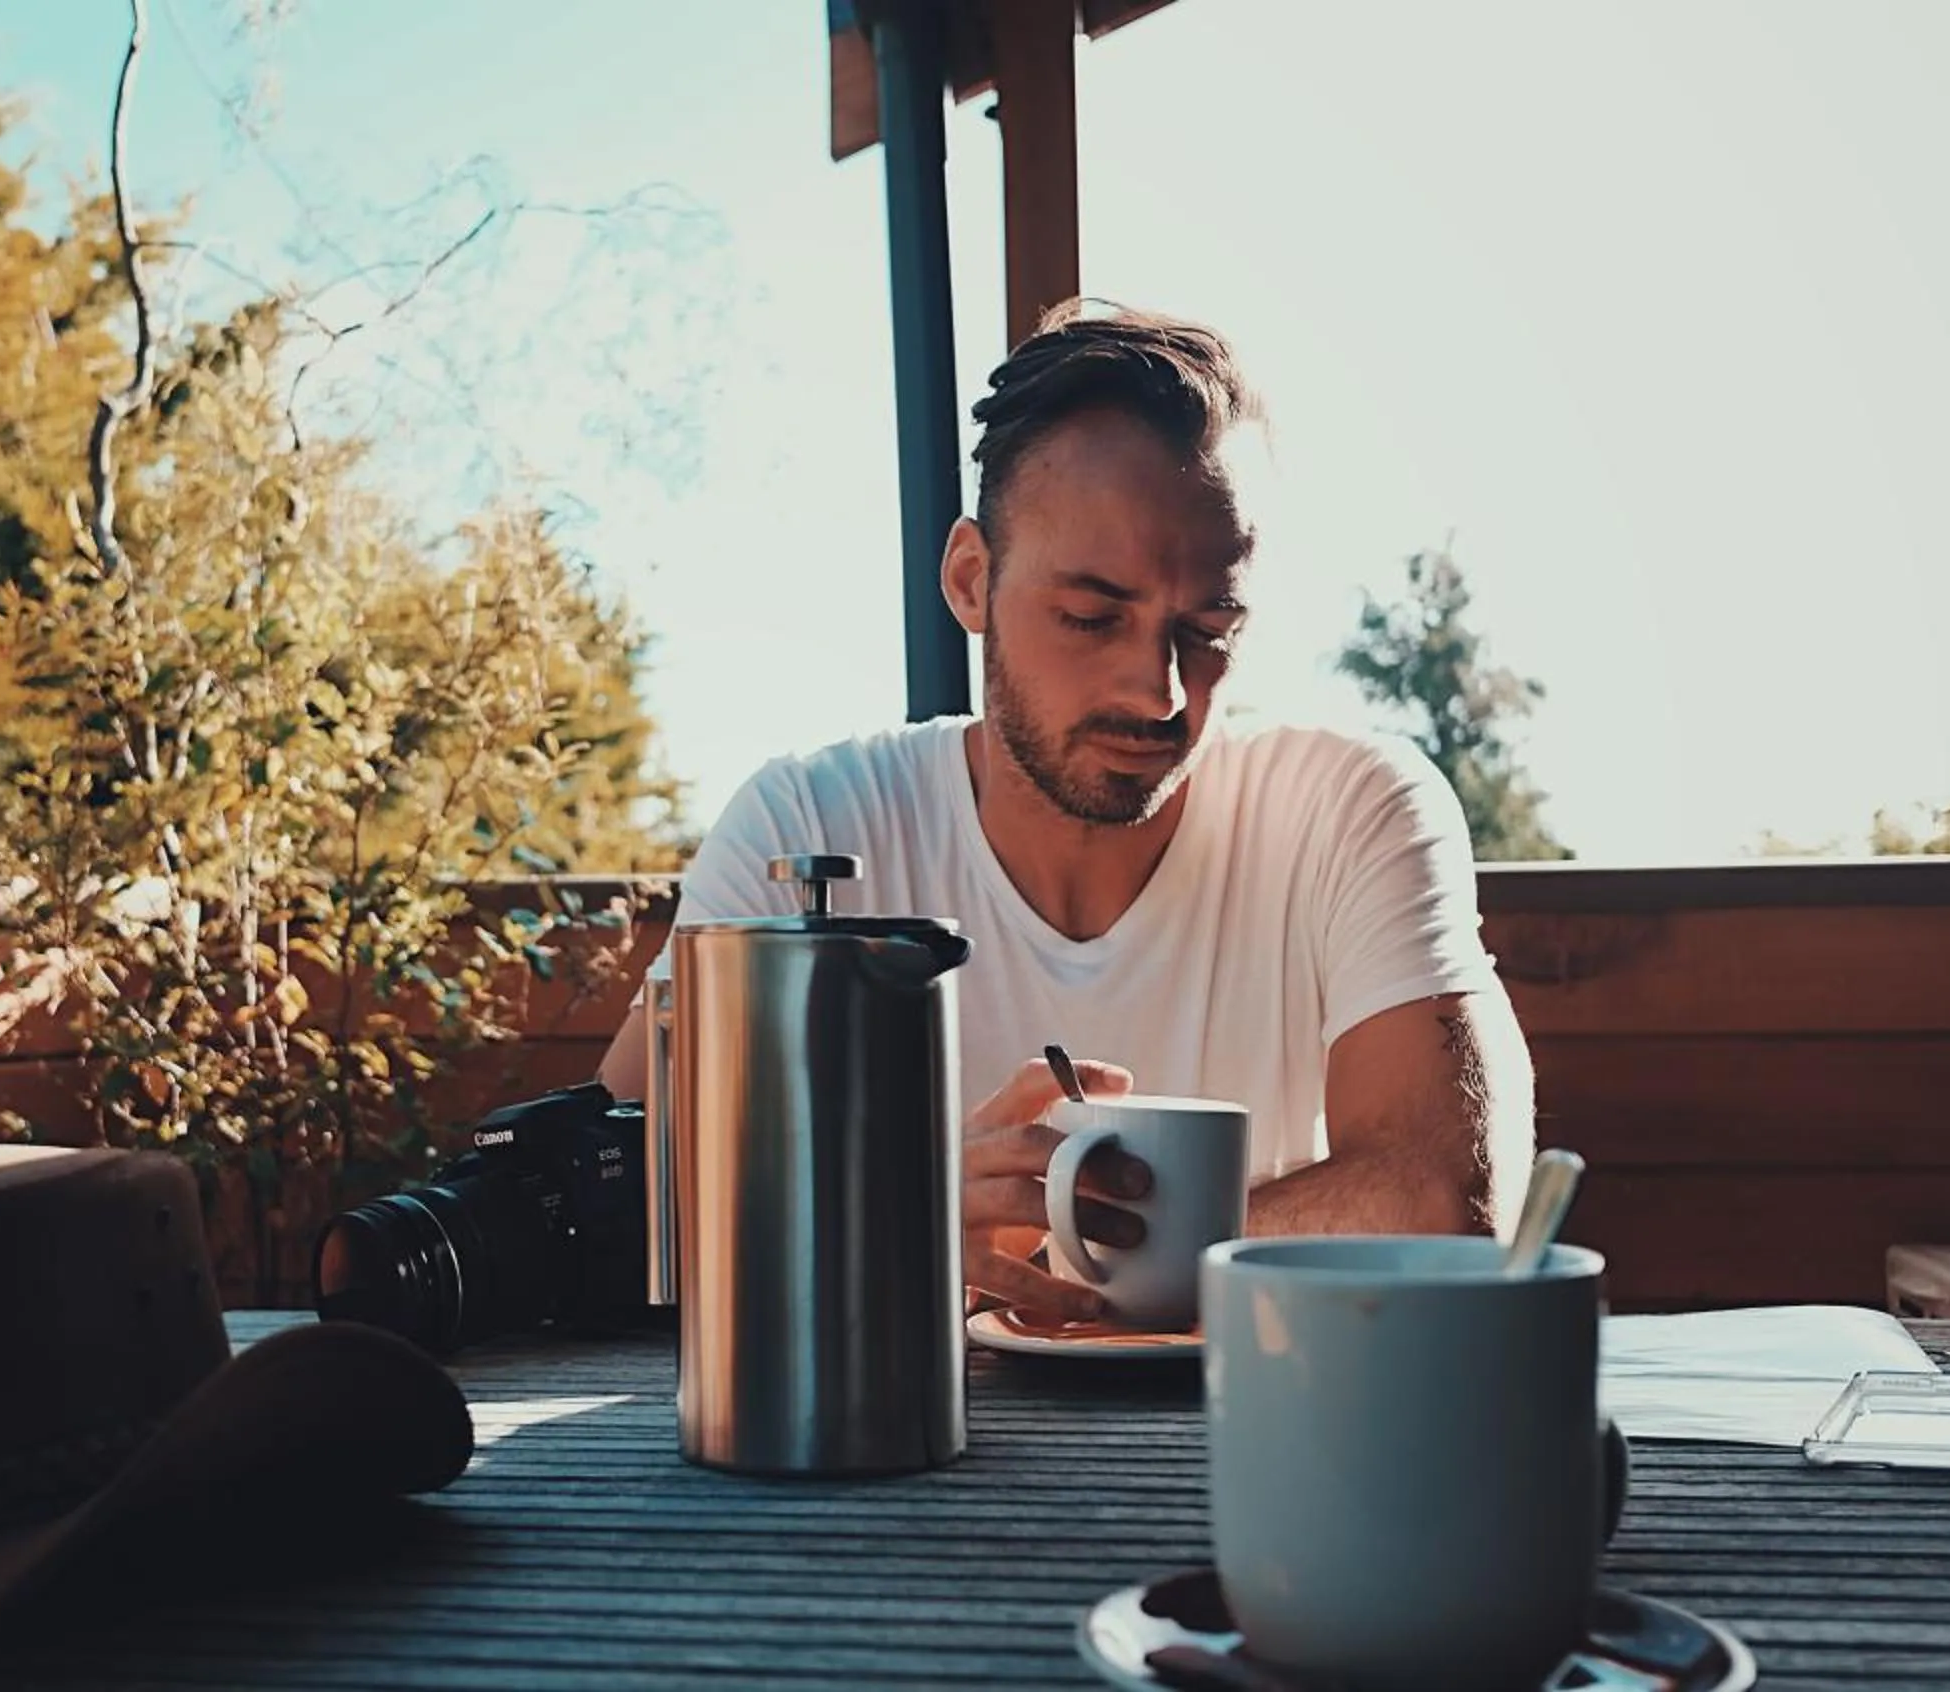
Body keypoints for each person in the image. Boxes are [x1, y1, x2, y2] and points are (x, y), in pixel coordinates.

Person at [597, 301, 1536, 1322]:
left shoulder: (1349, 811)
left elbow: (1447, 1201)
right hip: (892, 1470)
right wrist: (892, 1220)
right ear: (970, 580)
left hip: (1271, 1443)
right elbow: (620, 1192)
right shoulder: (808, 824)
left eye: (1208, 628)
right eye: (1093, 617)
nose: (1160, 691)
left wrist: (1078, 1260)